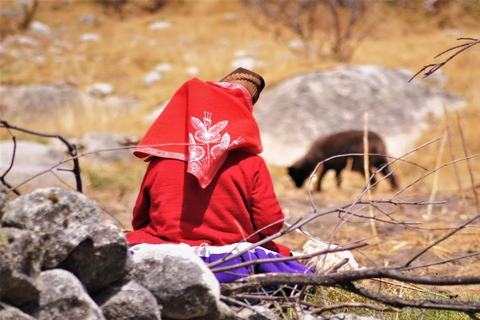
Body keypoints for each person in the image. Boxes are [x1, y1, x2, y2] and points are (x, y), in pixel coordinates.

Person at [126, 67, 313, 282]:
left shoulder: (161, 160)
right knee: (293, 270)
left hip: (164, 258)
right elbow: (270, 226)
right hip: (231, 263)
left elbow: (139, 220)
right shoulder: (250, 163)